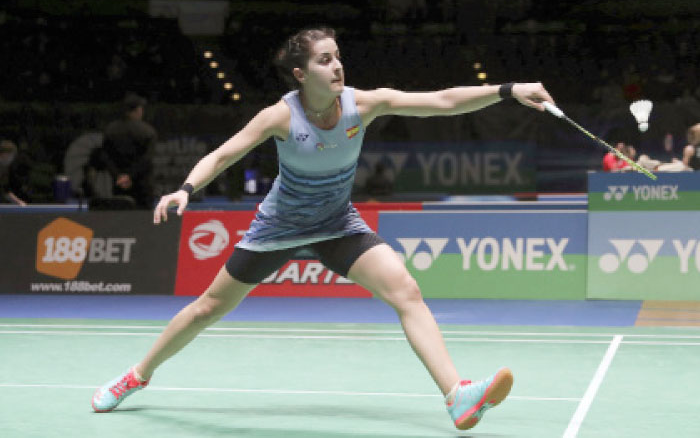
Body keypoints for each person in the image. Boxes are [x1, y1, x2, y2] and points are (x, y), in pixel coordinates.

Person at [91, 27, 556, 431]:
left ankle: (457, 395)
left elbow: (442, 101)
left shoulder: (362, 105)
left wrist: (508, 89)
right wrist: (186, 190)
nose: (337, 67)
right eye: (324, 60)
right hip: (279, 227)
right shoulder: (281, 115)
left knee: (406, 291)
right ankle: (138, 374)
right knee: (207, 308)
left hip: (337, 224)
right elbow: (225, 153)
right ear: (300, 73)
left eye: (338, 57)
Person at [99, 93, 157, 209]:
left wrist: (119, 177)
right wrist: (130, 176)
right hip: (142, 188)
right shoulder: (148, 132)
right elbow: (147, 159)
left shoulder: (110, 130)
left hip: (119, 186)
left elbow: (105, 157)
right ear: (139, 110)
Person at [0, 139, 29, 206]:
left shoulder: (4, 170)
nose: (12, 158)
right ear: (4, 154)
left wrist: (18, 202)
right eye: (11, 155)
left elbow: (5, 191)